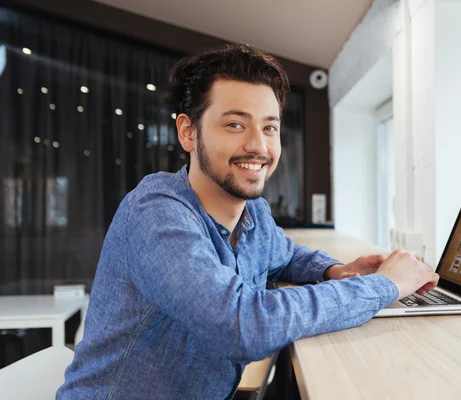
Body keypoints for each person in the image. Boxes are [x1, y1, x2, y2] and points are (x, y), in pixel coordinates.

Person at [57, 44, 439, 399]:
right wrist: (384, 285)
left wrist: (337, 270)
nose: (259, 145)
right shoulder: (156, 212)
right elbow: (242, 326)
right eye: (236, 125)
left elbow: (286, 255)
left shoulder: (251, 211)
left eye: (269, 127)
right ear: (188, 132)